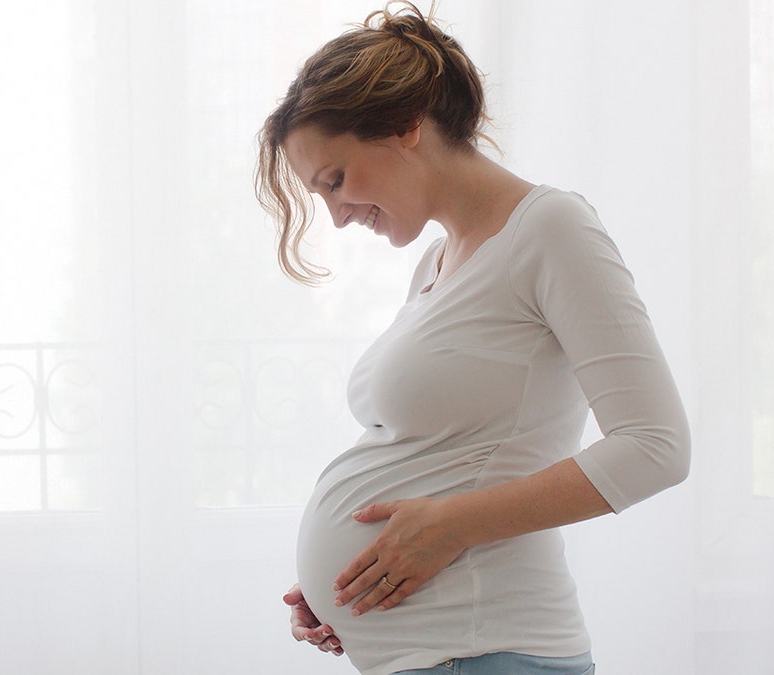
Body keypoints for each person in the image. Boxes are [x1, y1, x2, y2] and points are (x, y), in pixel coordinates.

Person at [254, 3, 691, 675]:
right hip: (435, 654)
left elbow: (657, 447)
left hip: (492, 650)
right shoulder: (433, 263)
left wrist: (449, 526)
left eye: (335, 181)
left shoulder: (551, 228)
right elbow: (441, 452)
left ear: (405, 125)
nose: (337, 216)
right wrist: (344, 587)